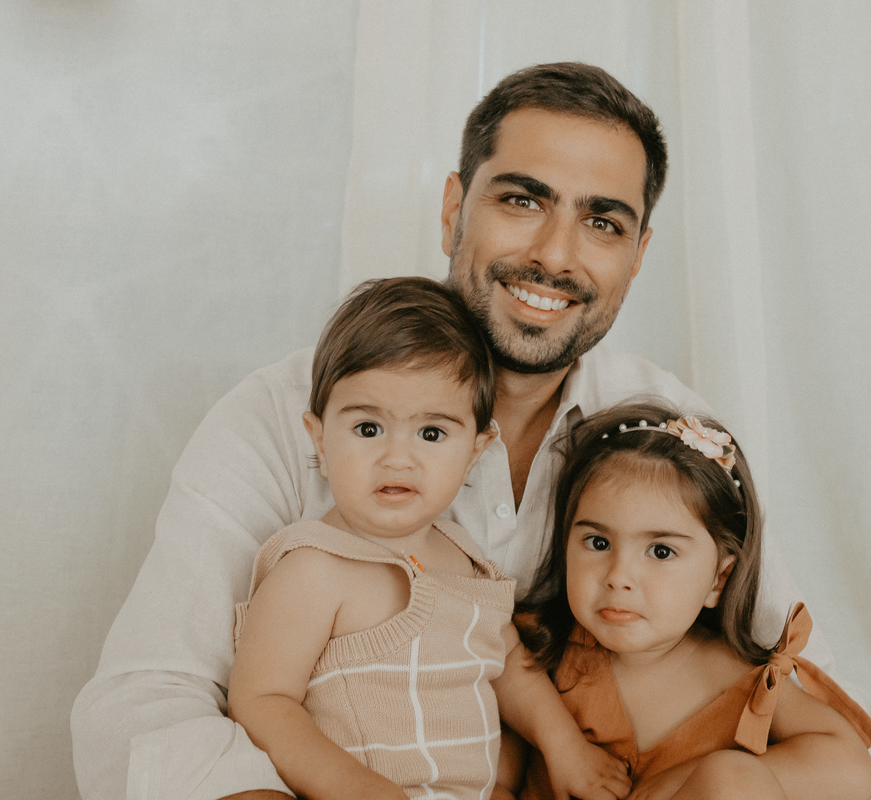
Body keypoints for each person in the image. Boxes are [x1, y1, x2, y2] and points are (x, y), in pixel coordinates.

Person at [71, 61, 871, 799]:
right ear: (452, 209)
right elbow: (145, 701)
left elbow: (794, 688)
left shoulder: (663, 435)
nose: (555, 255)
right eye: (521, 200)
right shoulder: (280, 416)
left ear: (639, 254)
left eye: (603, 222)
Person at [226, 276, 628, 800]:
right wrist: (357, 788)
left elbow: (511, 667)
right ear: (320, 440)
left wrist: (565, 748)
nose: (398, 458)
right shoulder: (312, 568)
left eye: (431, 433)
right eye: (368, 429)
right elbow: (261, 700)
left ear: (475, 450)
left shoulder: (462, 555)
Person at [506, 402, 871, 800]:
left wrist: (693, 777)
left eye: (661, 552)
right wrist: (563, 745)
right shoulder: (543, 651)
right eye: (598, 543)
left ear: (719, 579)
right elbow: (491, 766)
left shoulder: (740, 681)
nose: (618, 576)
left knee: (731, 778)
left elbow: (852, 767)